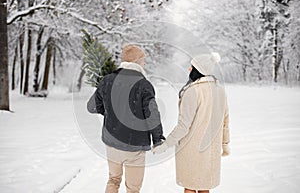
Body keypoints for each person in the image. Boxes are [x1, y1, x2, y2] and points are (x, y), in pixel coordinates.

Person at [87, 44, 165, 193]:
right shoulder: (144, 85)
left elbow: (92, 107)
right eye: (143, 60)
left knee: (113, 180)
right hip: (134, 145)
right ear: (137, 62)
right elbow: (152, 115)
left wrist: (110, 113)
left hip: (111, 142)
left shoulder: (107, 80)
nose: (145, 63)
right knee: (133, 188)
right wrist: (158, 139)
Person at [152, 52, 230, 193]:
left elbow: (183, 126)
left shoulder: (193, 91)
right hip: (211, 148)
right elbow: (225, 121)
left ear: (198, 70)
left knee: (190, 186)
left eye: (192, 67)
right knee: (204, 186)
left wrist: (165, 145)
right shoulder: (220, 91)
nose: (189, 69)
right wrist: (225, 144)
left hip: (192, 149)